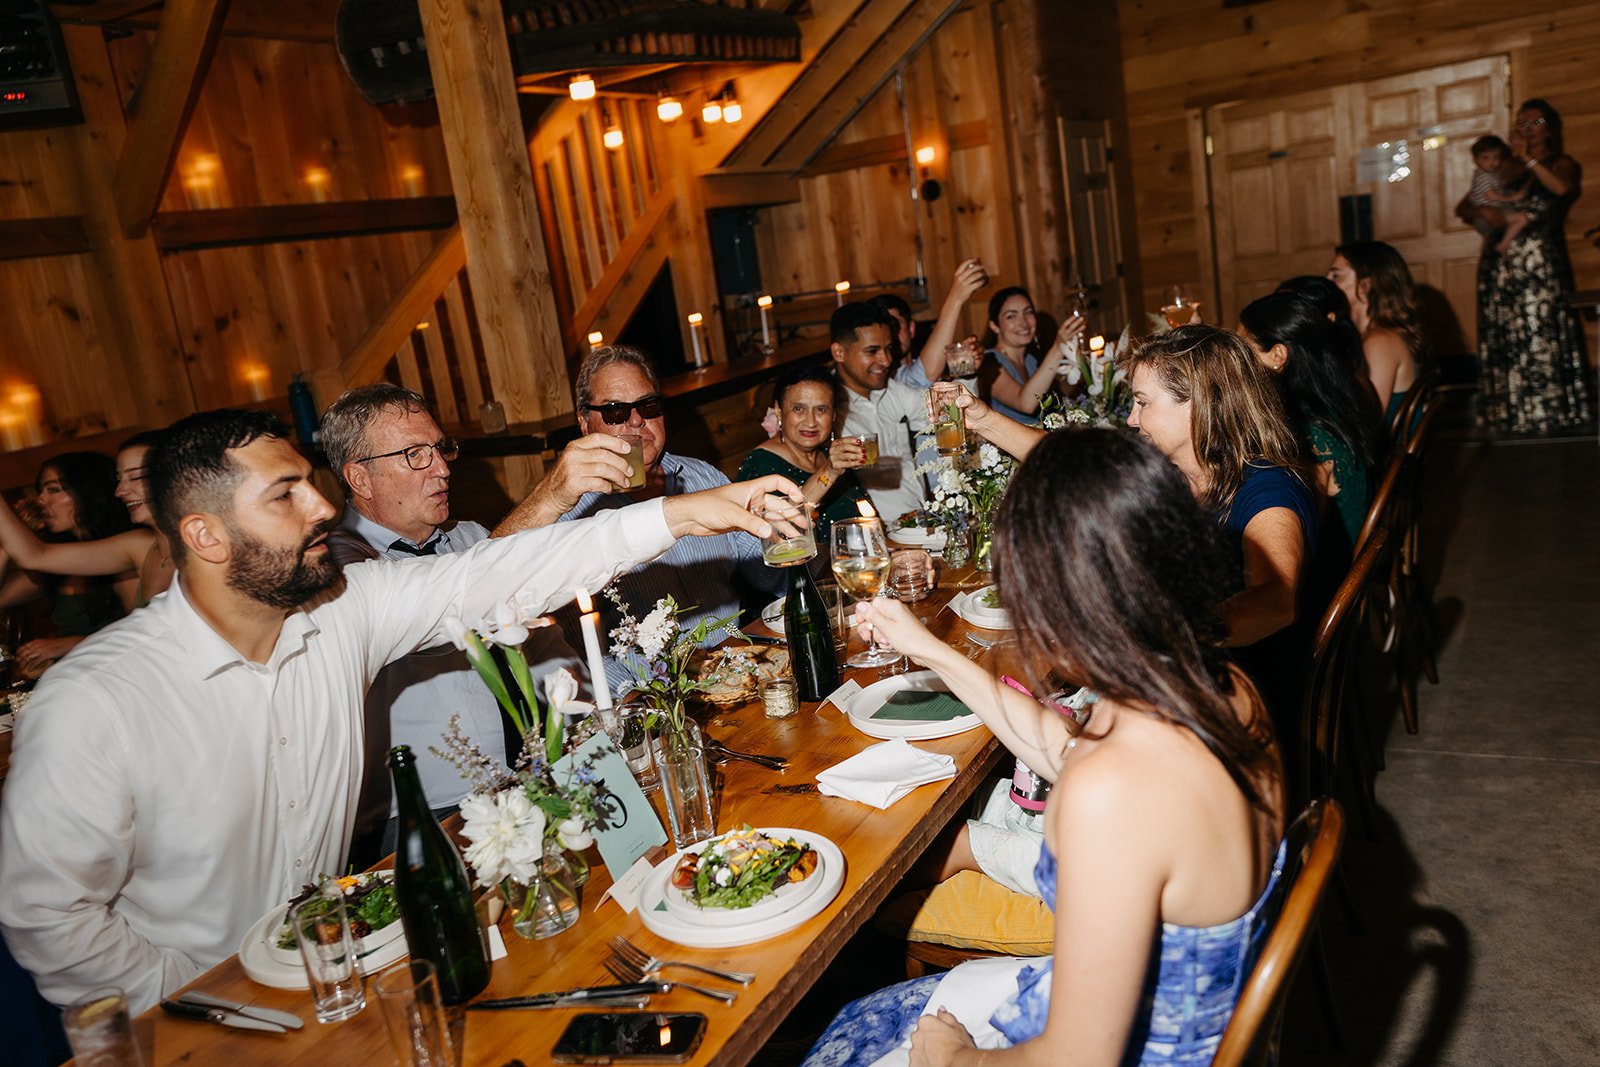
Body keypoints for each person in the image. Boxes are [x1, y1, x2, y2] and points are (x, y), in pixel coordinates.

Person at [0, 407, 801, 1013]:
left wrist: (689, 512)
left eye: (309, 482)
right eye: (286, 494)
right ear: (205, 535)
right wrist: (209, 997)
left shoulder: (343, 609)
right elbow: (48, 919)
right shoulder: (94, 702)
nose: (320, 508)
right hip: (204, 1020)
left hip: (354, 973)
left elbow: (496, 577)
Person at [803, 429, 1286, 1067]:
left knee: (848, 1035)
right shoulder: (1220, 688)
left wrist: (954, 1057)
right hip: (1190, 1011)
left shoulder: (1104, 791)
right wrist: (929, 650)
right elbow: (1066, 749)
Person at [319, 384, 592, 859]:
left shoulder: (468, 536)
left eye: (440, 449)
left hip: (529, 777)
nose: (443, 468)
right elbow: (445, 602)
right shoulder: (336, 570)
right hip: (422, 816)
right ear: (359, 478)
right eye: (416, 455)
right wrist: (551, 495)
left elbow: (540, 645)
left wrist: (585, 716)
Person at [553, 345, 785, 696]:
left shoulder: (702, 478)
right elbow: (579, 653)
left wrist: (782, 535)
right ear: (585, 422)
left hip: (743, 667)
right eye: (616, 411)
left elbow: (767, 574)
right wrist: (646, 695)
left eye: (648, 406)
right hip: (661, 699)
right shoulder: (572, 518)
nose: (636, 421)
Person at [1467, 99, 1595, 436]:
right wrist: (1483, 218)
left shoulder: (1560, 163)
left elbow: (1561, 188)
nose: (1528, 129)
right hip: (1500, 260)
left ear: (1550, 127)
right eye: (1522, 123)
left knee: (1542, 328)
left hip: (1540, 261)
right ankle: (1507, 411)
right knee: (1504, 331)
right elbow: (1467, 205)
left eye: (1535, 122)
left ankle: (1552, 409)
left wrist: (1531, 160)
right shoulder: (1502, 167)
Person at [1239, 291, 1387, 551]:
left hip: (1331, 575)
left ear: (1277, 356)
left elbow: (1303, 541)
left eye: (1242, 348)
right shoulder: (1331, 394)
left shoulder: (1310, 436)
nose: (1235, 359)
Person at [0, 435, 172, 657]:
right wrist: (11, 538)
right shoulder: (136, 544)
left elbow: (138, 638)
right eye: (119, 479)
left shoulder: (198, 544)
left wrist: (73, 644)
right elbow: (35, 555)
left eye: (53, 489)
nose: (119, 491)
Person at [0, 452, 138, 674]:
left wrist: (71, 643)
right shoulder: (57, 562)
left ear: (88, 490)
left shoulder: (124, 550)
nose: (41, 500)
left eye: (53, 489)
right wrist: (10, 543)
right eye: (40, 491)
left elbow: (143, 632)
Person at [736, 364, 871, 549]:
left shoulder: (827, 455)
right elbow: (778, 532)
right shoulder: (760, 464)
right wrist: (830, 471)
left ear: (833, 415)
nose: (811, 421)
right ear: (778, 410)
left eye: (821, 409)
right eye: (799, 408)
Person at [831, 302, 935, 524]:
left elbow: (938, 414)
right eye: (872, 351)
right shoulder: (826, 408)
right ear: (839, 352)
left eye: (889, 348)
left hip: (922, 520)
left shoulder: (892, 390)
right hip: (874, 533)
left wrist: (967, 374)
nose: (886, 360)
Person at [1327, 240, 1424, 420]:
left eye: (1336, 276)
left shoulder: (1379, 342)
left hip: (1385, 445)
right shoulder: (1370, 335)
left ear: (1365, 285)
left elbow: (1369, 419)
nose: (1327, 283)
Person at [979, 287, 1079, 426]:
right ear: (995, 326)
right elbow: (1025, 404)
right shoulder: (988, 363)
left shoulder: (1030, 360)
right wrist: (1058, 348)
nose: (1024, 322)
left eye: (1028, 312)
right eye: (1011, 316)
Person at [1461, 134, 1533, 253]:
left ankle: (1503, 245)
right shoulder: (1484, 176)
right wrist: (1513, 197)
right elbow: (1491, 196)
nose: (1492, 162)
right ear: (1475, 160)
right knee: (1521, 219)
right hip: (1490, 212)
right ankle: (1503, 245)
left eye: (1495, 157)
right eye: (1486, 158)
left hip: (1494, 210)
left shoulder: (1488, 174)